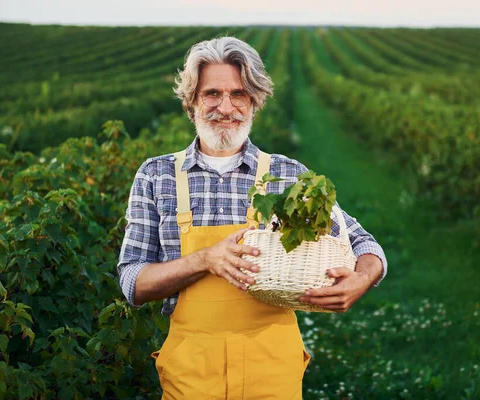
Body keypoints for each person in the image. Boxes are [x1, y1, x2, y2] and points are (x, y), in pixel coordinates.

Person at [117, 36, 388, 399]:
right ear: (192, 101)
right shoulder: (157, 176)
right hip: (191, 374)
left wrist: (361, 279)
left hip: (272, 371)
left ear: (255, 102)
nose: (225, 107)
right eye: (212, 93)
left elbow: (363, 242)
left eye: (239, 94)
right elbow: (133, 281)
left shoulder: (287, 176)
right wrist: (205, 259)